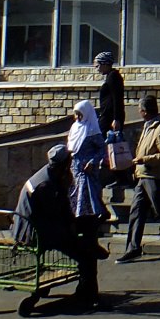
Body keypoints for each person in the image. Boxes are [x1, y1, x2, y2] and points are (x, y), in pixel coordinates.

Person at [12, 144, 101, 310]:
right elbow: (56, 215)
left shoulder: (49, 175)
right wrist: (73, 230)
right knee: (86, 256)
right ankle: (87, 294)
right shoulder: (47, 184)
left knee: (86, 228)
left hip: (30, 227)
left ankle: (92, 246)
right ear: (65, 163)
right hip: (34, 233)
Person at [118, 95, 160, 263]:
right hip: (142, 176)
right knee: (136, 212)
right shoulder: (147, 127)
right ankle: (133, 247)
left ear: (144, 111)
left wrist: (145, 160)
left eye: (140, 109)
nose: (139, 112)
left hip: (154, 177)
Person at [66, 100, 110, 267]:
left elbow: (101, 149)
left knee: (87, 199)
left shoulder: (92, 129)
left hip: (87, 170)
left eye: (80, 114)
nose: (77, 117)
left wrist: (92, 161)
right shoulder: (75, 128)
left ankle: (90, 222)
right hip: (75, 169)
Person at [94, 51, 128, 200]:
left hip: (110, 120)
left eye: (98, 65)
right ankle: (118, 176)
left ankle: (122, 177)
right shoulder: (111, 77)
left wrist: (117, 118)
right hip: (107, 118)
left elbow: (117, 99)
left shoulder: (114, 77)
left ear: (105, 64)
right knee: (109, 149)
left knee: (113, 149)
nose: (96, 68)